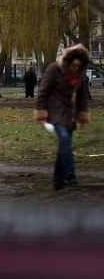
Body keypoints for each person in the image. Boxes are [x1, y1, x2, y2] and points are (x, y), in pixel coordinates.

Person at [35, 43, 91, 191]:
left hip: (70, 115)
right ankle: (70, 174)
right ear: (68, 62)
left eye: (78, 66)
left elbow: (82, 97)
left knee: (63, 147)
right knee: (65, 139)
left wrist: (83, 114)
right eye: (73, 65)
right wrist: (41, 113)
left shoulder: (79, 76)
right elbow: (43, 91)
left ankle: (57, 181)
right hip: (55, 113)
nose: (75, 68)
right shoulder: (54, 70)